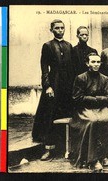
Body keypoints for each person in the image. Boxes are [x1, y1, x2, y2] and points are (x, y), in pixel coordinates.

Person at [32, 19, 75, 161]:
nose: (60, 30)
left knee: (67, 115)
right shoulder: (48, 46)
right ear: (52, 30)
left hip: (67, 86)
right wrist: (47, 86)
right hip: (54, 85)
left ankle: (66, 148)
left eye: (62, 28)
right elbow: (44, 68)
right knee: (50, 116)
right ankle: (48, 149)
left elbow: (72, 68)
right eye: (57, 28)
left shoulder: (69, 46)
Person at [69, 53, 108, 171]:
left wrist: (95, 99)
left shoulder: (105, 78)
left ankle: (107, 155)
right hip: (84, 109)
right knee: (93, 121)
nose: (96, 64)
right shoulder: (80, 78)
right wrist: (97, 99)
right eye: (93, 62)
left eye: (98, 62)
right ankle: (93, 159)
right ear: (87, 63)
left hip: (101, 108)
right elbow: (77, 98)